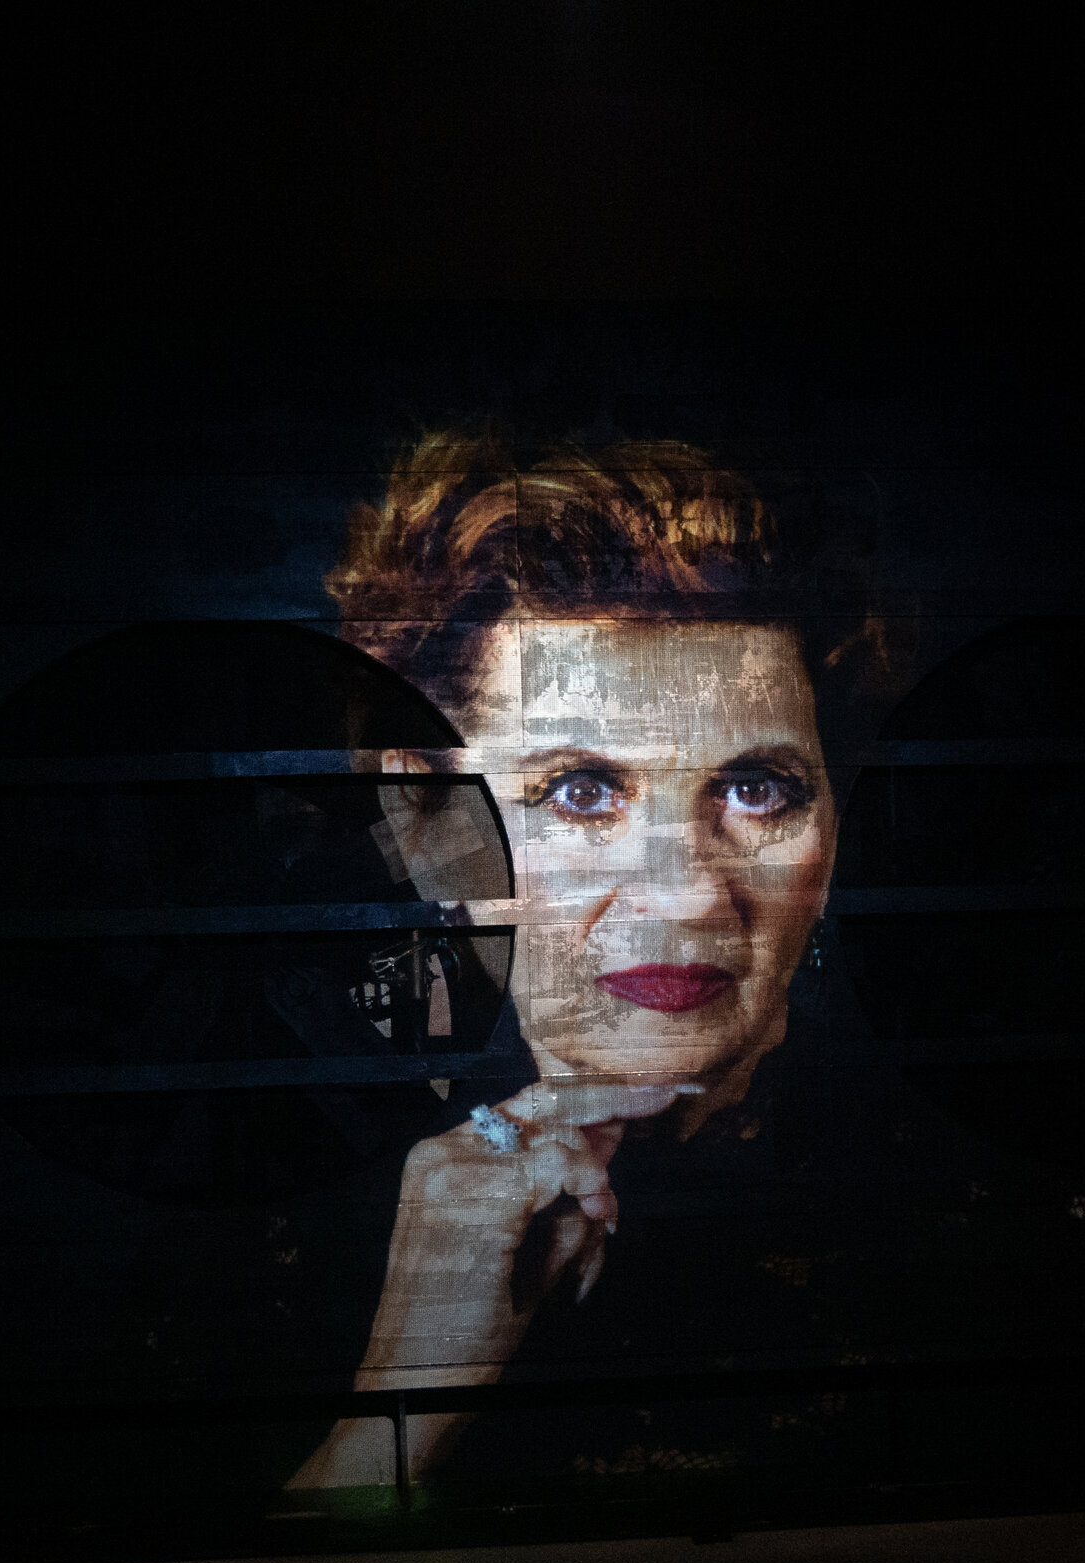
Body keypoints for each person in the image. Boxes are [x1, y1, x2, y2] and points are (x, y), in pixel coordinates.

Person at [286, 431, 892, 1488]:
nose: (689, 892)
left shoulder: (975, 1207)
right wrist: (403, 1400)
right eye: (580, 791)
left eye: (757, 789)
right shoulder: (278, 1210)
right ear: (428, 825)